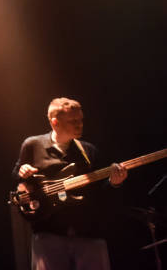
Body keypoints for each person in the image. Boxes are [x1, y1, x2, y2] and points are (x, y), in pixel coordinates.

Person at [12, 97, 128, 270]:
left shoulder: (88, 151)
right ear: (54, 122)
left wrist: (114, 183)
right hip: (49, 234)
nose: (79, 124)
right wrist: (23, 171)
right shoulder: (33, 145)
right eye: (73, 121)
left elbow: (100, 193)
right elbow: (17, 178)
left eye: (81, 120)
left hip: (88, 233)